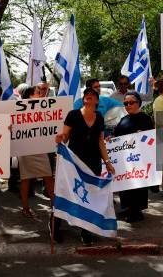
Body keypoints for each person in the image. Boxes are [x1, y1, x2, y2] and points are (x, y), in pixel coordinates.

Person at [54, 87, 116, 245]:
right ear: (83, 99)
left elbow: (100, 141)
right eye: (86, 95)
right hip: (74, 162)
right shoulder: (73, 115)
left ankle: (86, 231)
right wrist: (61, 138)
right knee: (66, 190)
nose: (89, 96)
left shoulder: (100, 117)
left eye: (93, 95)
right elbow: (66, 136)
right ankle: (55, 226)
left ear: (97, 100)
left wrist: (107, 162)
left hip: (93, 162)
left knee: (90, 196)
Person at [113, 91, 154, 222]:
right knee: (126, 186)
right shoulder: (123, 119)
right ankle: (128, 208)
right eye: (125, 103)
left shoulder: (145, 119)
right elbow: (116, 137)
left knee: (137, 186)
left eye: (131, 102)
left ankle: (136, 211)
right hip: (124, 159)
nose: (128, 105)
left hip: (139, 160)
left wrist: (142, 135)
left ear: (139, 103)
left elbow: (151, 139)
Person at [17, 86, 55, 218]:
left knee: (48, 176)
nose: (40, 94)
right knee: (26, 178)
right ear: (31, 95)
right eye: (38, 93)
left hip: (40, 148)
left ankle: (54, 206)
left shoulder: (42, 107)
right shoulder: (19, 108)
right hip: (25, 148)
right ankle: (25, 208)